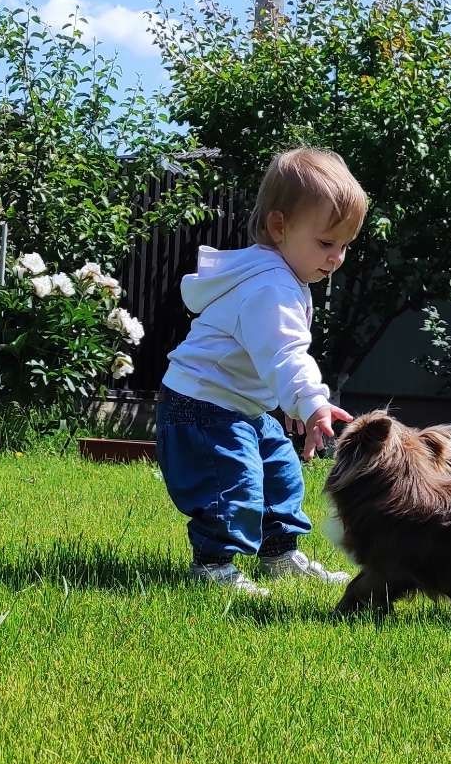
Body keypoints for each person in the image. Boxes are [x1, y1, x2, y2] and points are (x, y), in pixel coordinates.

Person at [157, 146, 366, 594]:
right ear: (279, 226)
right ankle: (212, 567)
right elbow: (285, 353)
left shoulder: (280, 276)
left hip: (239, 406)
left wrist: (288, 399)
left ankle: (278, 554)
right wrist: (310, 403)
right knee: (230, 483)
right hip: (202, 406)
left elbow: (270, 356)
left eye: (345, 246)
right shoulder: (271, 286)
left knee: (280, 470)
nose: (336, 258)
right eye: (326, 243)